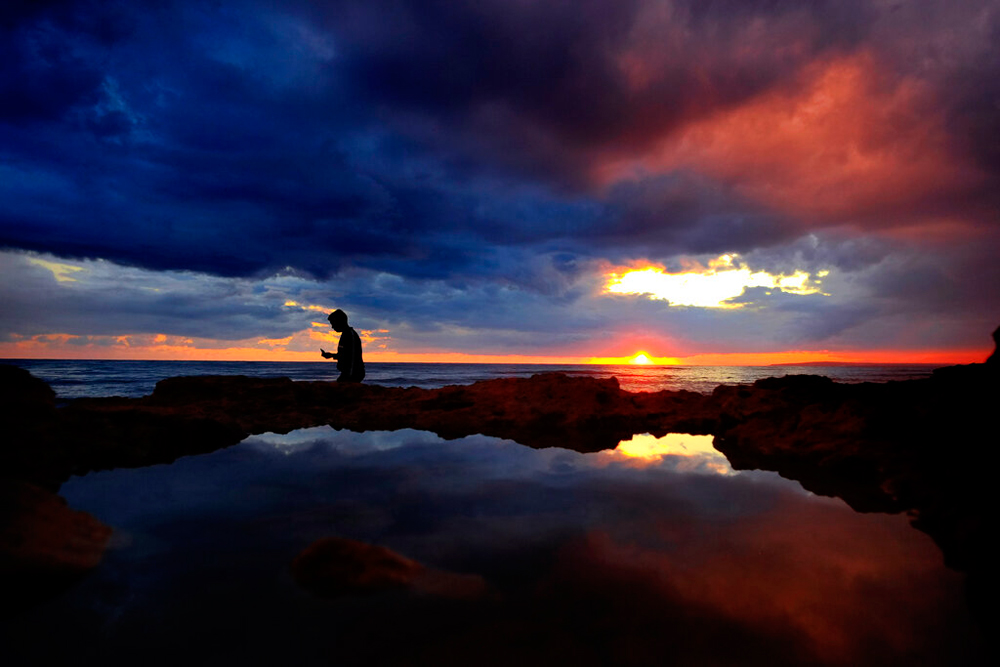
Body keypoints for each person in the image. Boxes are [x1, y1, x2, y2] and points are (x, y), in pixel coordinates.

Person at [320, 309, 366, 383]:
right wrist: (331, 355)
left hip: (352, 373)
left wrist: (349, 376)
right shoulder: (345, 334)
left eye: (333, 323)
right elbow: (346, 354)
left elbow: (352, 357)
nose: (332, 327)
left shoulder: (350, 335)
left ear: (339, 322)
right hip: (348, 373)